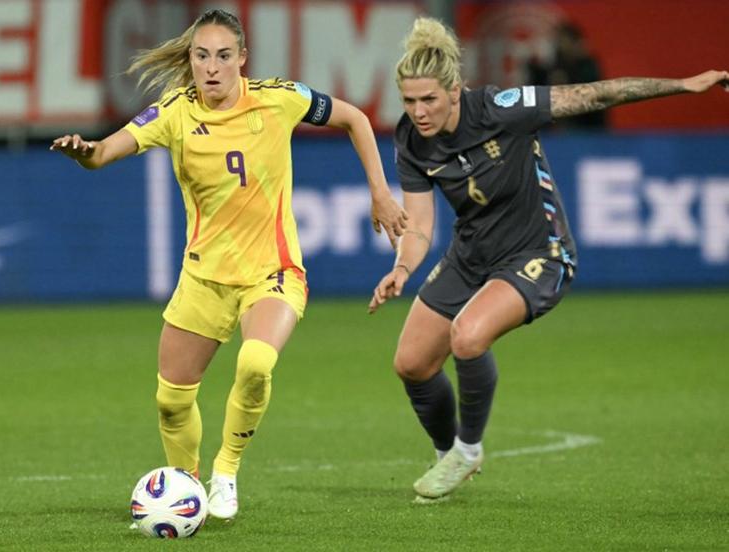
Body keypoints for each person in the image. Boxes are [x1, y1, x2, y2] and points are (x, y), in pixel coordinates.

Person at [51, 8, 407, 520]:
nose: (211, 67)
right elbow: (106, 151)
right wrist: (84, 151)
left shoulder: (280, 99)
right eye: (201, 56)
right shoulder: (174, 112)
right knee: (171, 401)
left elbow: (354, 117)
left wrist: (380, 191)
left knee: (257, 363)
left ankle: (227, 471)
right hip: (203, 277)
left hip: (273, 272)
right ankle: (186, 489)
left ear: (242, 59)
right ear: (191, 60)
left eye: (223, 56)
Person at [368, 16, 728, 502]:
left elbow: (596, 95)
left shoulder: (500, 108)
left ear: (457, 90)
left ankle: (469, 449)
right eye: (409, 101)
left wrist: (684, 86)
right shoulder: (410, 140)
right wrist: (402, 269)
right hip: (470, 255)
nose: (419, 111)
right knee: (411, 362)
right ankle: (448, 455)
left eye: (429, 99)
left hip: (539, 252)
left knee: (468, 336)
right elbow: (420, 225)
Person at [526, 22, 606, 129]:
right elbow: (533, 97)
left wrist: (567, 80)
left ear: (576, 42)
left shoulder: (588, 65)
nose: (560, 45)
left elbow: (593, 95)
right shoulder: (551, 67)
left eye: (564, 41)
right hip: (554, 132)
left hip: (586, 128)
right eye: (557, 41)